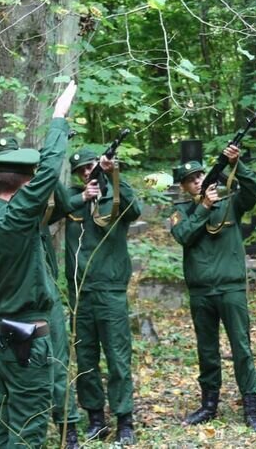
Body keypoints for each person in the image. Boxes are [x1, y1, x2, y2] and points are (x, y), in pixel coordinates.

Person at [0, 82, 76, 448]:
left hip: (0, 335)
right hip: (27, 339)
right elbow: (48, 173)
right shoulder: (13, 220)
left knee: (3, 419)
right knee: (28, 429)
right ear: (26, 183)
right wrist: (58, 118)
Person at [170, 145, 256, 431]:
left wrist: (237, 165)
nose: (197, 181)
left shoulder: (229, 203)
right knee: (207, 350)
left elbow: (252, 193)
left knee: (241, 348)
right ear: (185, 187)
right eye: (191, 179)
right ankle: (209, 404)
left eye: (200, 176)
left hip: (231, 288)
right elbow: (183, 236)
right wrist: (203, 208)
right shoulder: (181, 211)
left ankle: (251, 407)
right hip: (201, 291)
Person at [62, 144, 142, 444]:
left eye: (91, 166)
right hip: (80, 293)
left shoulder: (116, 196)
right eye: (81, 170)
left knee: (118, 358)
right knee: (85, 360)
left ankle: (124, 420)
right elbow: (49, 210)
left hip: (110, 291)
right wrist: (82, 198)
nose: (87, 172)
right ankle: (96, 417)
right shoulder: (73, 200)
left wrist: (116, 174)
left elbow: (135, 210)